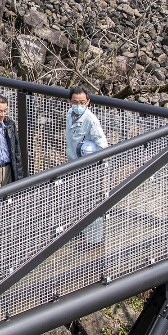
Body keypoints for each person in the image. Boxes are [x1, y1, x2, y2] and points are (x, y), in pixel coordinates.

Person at [66, 90, 111, 246]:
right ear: (69, 102)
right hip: (73, 166)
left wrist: (96, 161)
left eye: (82, 102)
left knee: (91, 202)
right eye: (75, 102)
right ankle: (82, 233)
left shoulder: (91, 120)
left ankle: (94, 240)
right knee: (78, 201)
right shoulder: (69, 114)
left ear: (88, 102)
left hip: (90, 168)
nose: (78, 105)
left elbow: (103, 145)